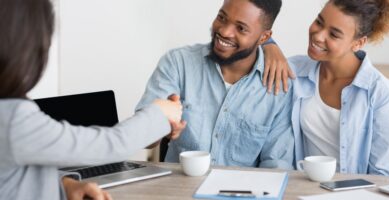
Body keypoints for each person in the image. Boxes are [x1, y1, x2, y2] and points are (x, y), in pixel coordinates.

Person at [0, 0, 183, 199]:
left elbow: (12, 177)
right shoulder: (11, 120)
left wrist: (65, 186)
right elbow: (111, 145)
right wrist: (159, 113)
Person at [136, 0, 294, 169]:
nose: (224, 31)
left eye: (241, 28)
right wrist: (158, 126)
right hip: (178, 191)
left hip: (241, 193)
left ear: (264, 37)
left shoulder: (279, 86)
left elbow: (276, 165)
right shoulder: (177, 63)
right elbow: (141, 138)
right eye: (222, 17)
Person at [269, 0, 389, 175]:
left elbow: (384, 174)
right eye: (319, 22)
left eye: (334, 34)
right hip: (302, 187)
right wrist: (268, 45)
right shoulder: (293, 71)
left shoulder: (380, 93)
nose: (318, 36)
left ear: (358, 43)